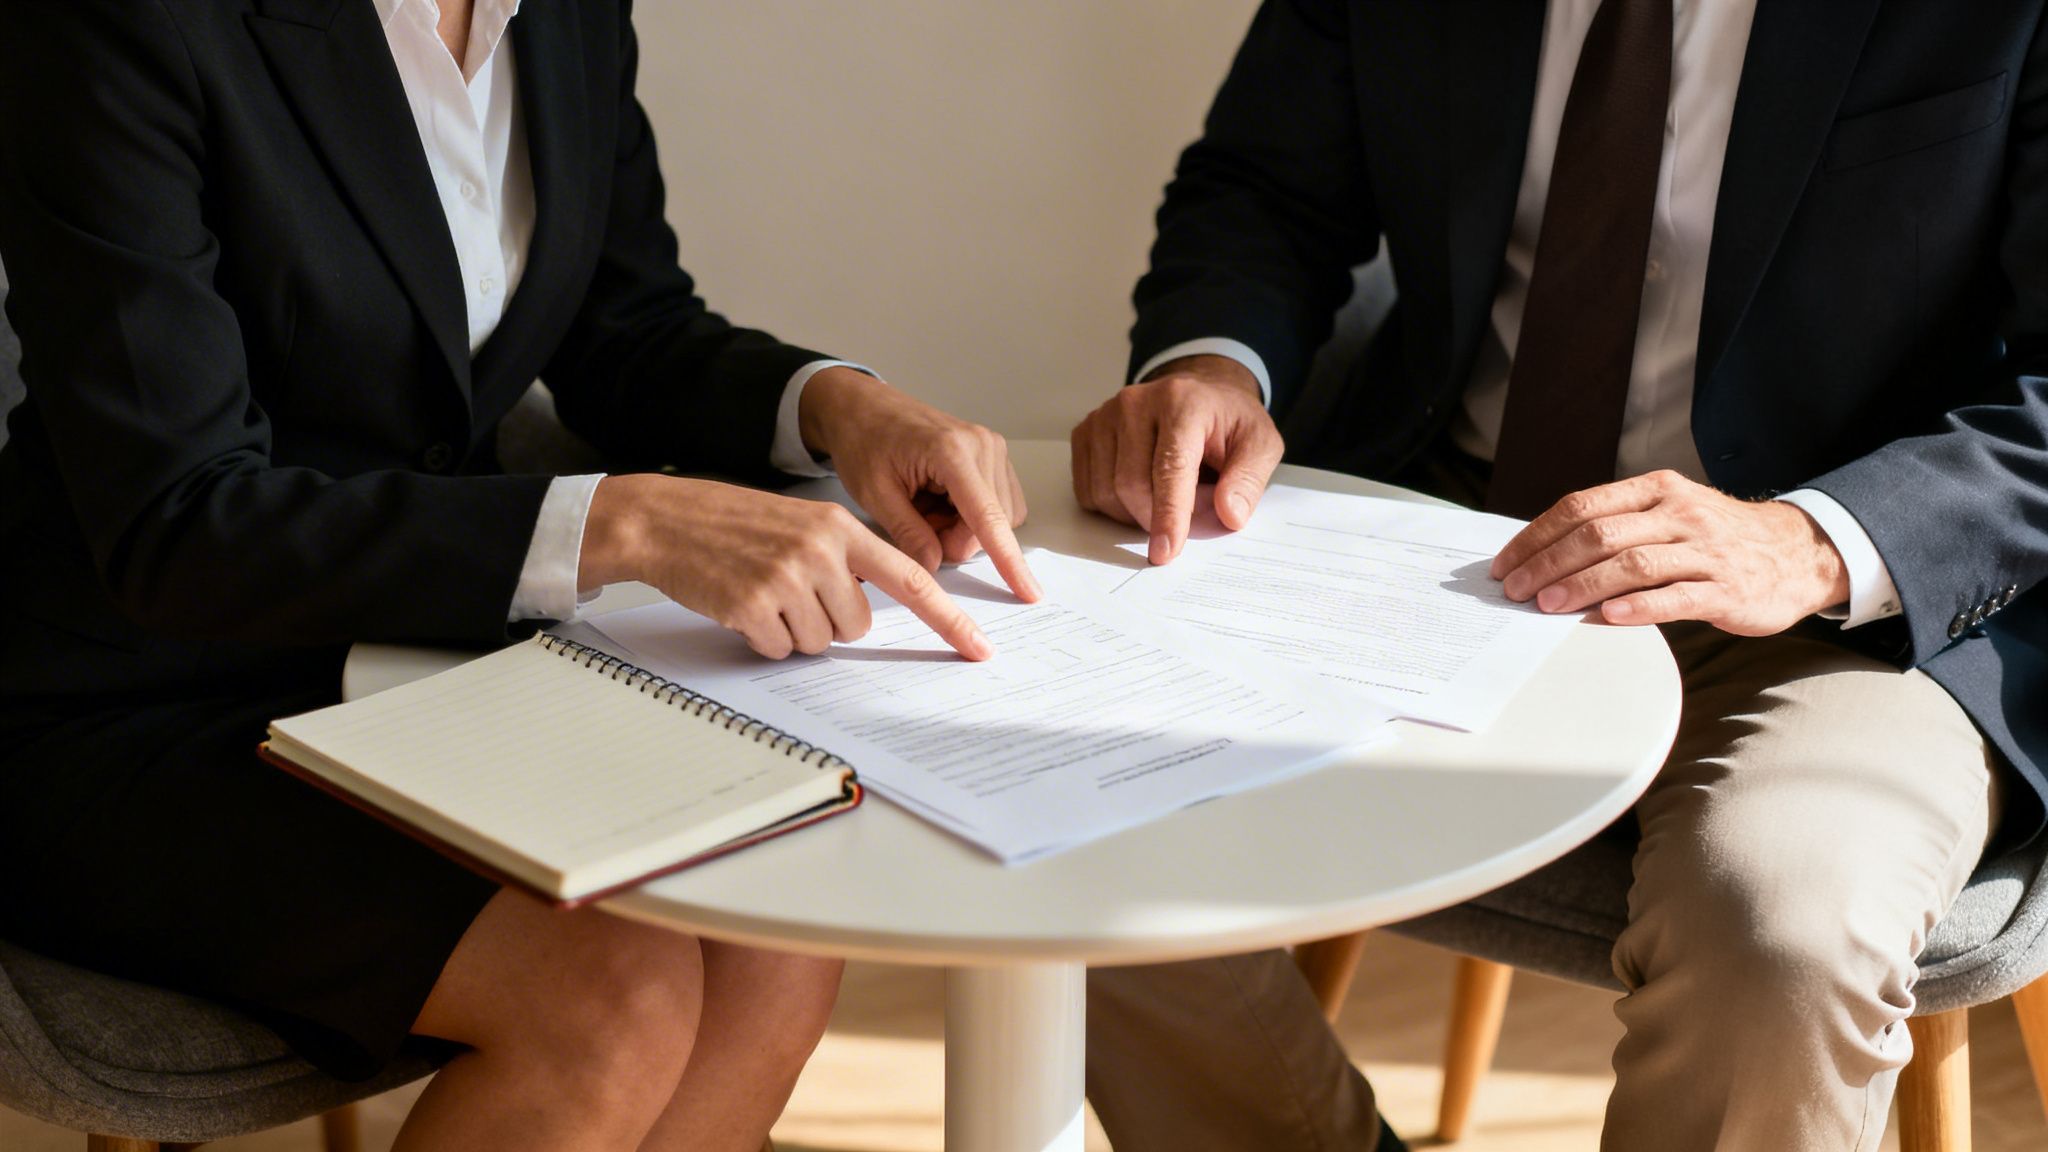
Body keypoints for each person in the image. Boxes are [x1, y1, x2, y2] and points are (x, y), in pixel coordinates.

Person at [0, 1, 1037, 1149]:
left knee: (778, 939)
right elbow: (177, 521)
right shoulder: (122, 25)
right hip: (132, 705)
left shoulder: (564, 13)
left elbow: (623, 326)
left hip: (425, 668)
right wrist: (622, 525)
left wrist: (840, 407)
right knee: (613, 1002)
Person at [1072, 2, 2048, 1149]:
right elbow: (1261, 191)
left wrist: (1808, 542)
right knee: (1056, 788)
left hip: (1851, 605)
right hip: (1441, 537)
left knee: (1780, 933)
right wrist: (1211, 364)